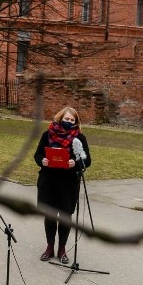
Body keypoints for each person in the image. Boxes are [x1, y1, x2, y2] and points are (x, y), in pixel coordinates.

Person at [34, 106, 92, 264]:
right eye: (67, 119)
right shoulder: (47, 134)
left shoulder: (79, 138)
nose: (69, 122)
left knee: (66, 216)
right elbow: (37, 155)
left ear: (76, 122)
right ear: (60, 118)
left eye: (72, 120)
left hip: (69, 183)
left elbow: (87, 160)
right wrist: (42, 161)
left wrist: (76, 162)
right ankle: (50, 247)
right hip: (49, 181)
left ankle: (62, 249)